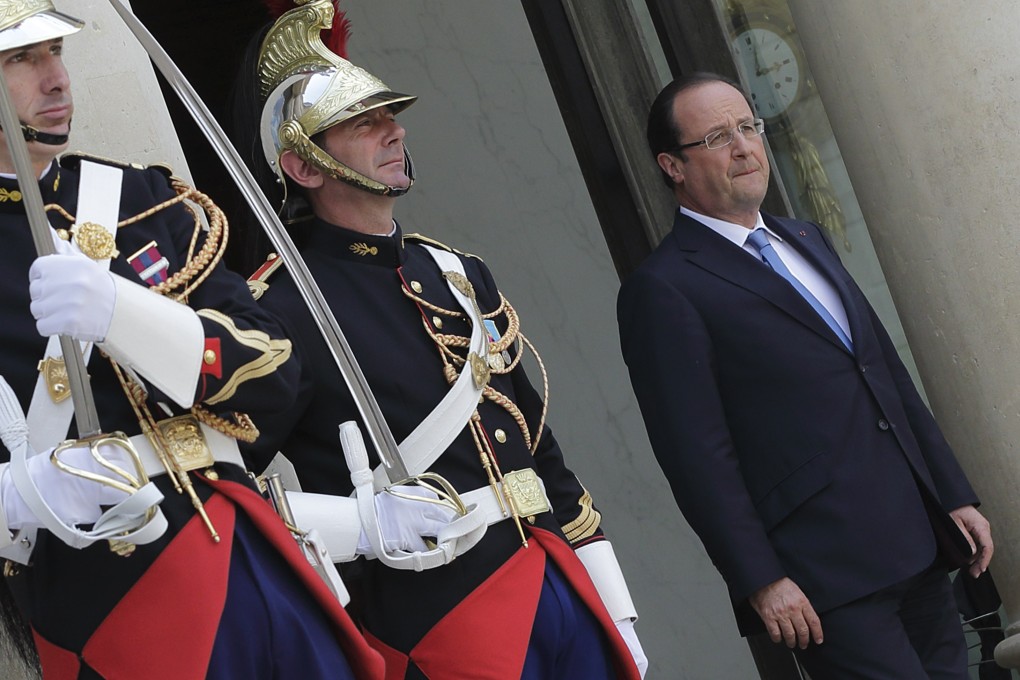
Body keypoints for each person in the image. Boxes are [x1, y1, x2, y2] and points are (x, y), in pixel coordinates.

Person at [233, 1, 647, 678]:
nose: (392, 131)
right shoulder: (277, 306)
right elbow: (229, 485)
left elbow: (537, 449)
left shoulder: (454, 272)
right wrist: (360, 526)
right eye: (361, 124)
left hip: (558, 584)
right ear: (304, 167)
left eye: (388, 115)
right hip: (439, 618)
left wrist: (615, 604)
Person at [0, 3, 385, 678]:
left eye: (54, 51)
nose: (56, 78)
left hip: (249, 551)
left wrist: (125, 314)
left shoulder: (138, 198)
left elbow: (273, 376)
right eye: (21, 61)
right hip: (113, 598)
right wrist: (25, 494)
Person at [617, 71, 993, 678]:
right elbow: (697, 458)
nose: (743, 147)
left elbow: (884, 374)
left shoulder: (804, 236)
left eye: (748, 127)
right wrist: (761, 579)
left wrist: (952, 493)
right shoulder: (663, 289)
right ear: (673, 165)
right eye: (717, 136)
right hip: (825, 579)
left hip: (914, 541)